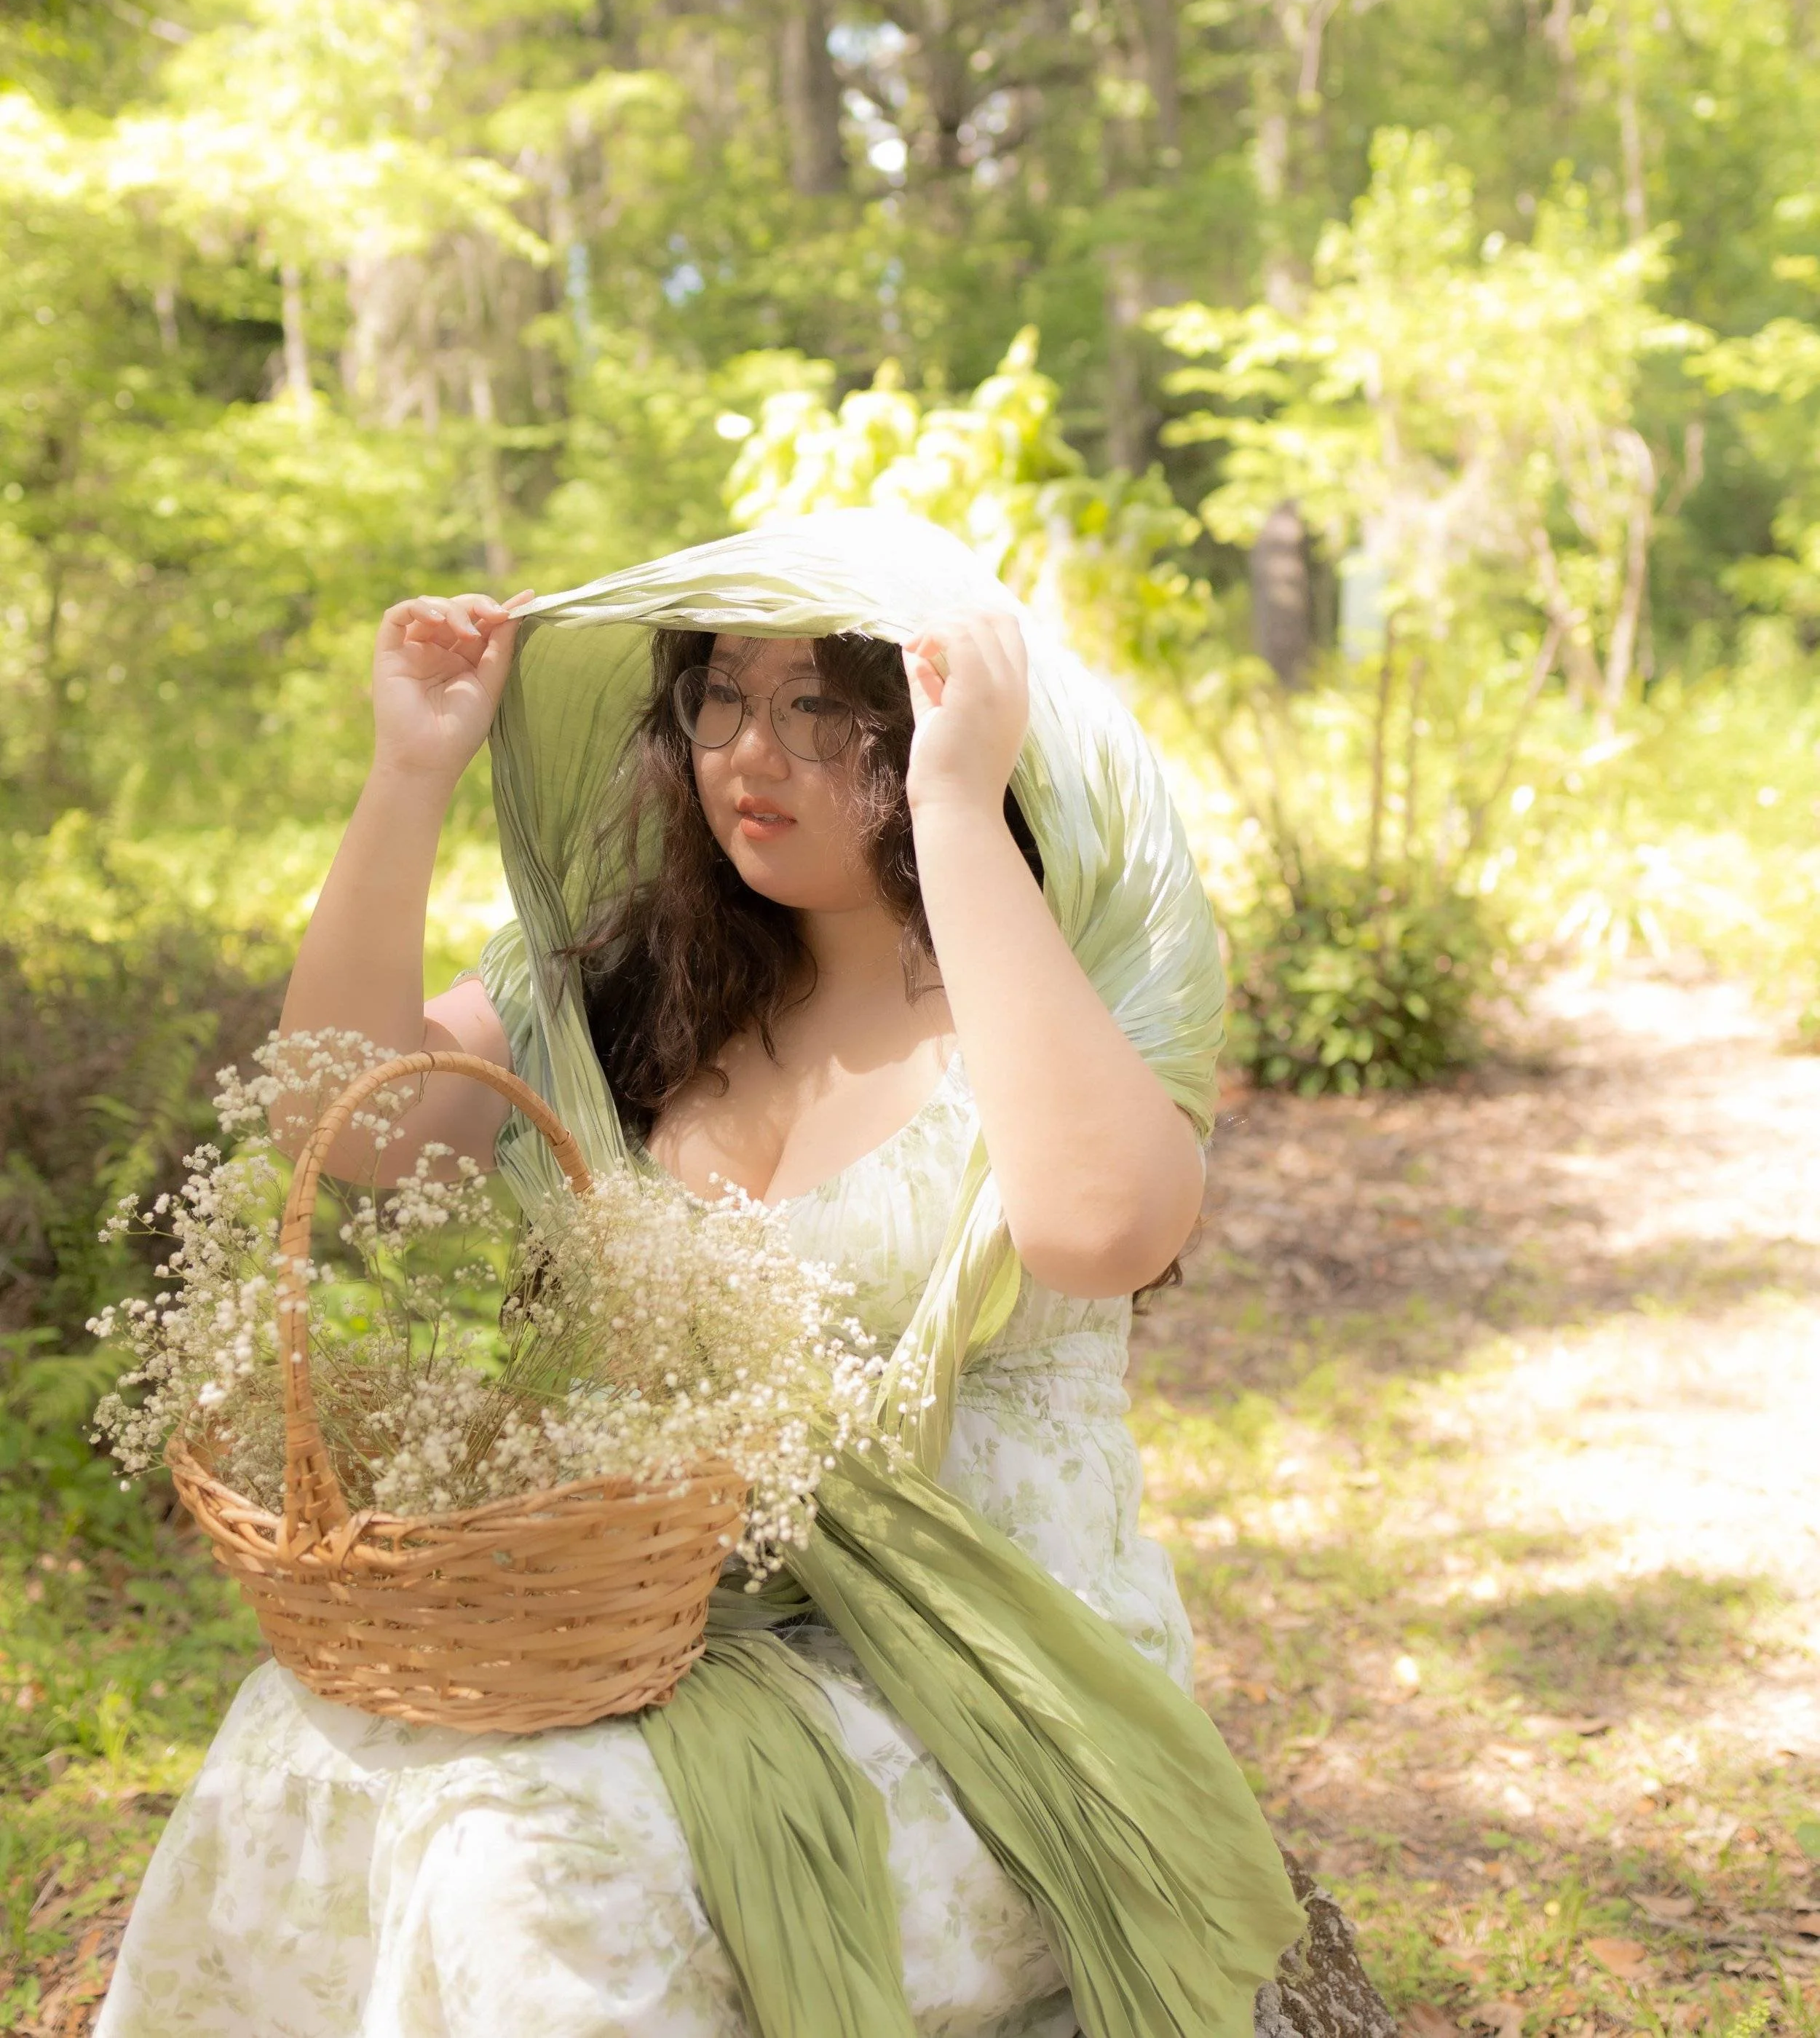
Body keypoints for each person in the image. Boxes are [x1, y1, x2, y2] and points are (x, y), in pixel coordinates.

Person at [96, 515, 1302, 2038]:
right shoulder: (632, 991)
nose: (753, 751)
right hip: (654, 1631)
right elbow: (349, 1120)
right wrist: (411, 773)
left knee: (525, 1857)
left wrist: (947, 808)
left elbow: (1100, 1231)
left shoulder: (1040, 992)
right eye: (721, 697)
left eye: (826, 712)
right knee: (298, 1744)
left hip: (983, 1686)